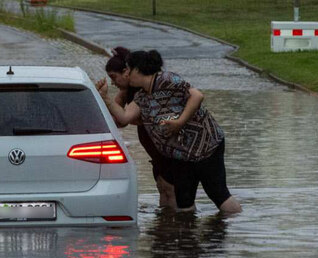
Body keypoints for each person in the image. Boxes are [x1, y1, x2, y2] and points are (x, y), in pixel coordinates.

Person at [97, 49, 242, 215]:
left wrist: (179, 123)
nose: (127, 74)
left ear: (138, 69)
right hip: (181, 157)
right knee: (183, 203)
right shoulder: (142, 97)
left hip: (206, 147)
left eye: (129, 70)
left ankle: (235, 228)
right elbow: (123, 118)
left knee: (218, 194)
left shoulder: (166, 79)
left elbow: (197, 96)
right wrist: (105, 98)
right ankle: (187, 237)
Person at [97, 47, 177, 209]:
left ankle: (177, 222)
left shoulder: (144, 92)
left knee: (170, 186)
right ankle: (165, 224)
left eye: (114, 77)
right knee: (162, 186)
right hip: (152, 145)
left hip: (161, 143)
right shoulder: (126, 92)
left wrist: (107, 100)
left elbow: (126, 119)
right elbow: (117, 120)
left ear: (128, 72)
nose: (114, 82)